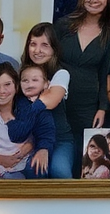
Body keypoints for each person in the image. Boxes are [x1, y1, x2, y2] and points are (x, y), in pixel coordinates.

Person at [54, 0, 110, 166]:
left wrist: (102, 108)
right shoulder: (63, 24)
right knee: (60, 159)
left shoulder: (109, 33)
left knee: (83, 161)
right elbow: (48, 60)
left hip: (87, 107)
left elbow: (103, 73)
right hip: (58, 102)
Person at [21, 21, 73, 180]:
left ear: (54, 49)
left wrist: (33, 104)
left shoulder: (61, 73)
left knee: (60, 171)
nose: (37, 50)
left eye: (45, 45)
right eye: (33, 44)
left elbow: (51, 101)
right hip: (33, 140)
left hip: (61, 140)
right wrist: (44, 91)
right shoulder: (22, 72)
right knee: (35, 170)